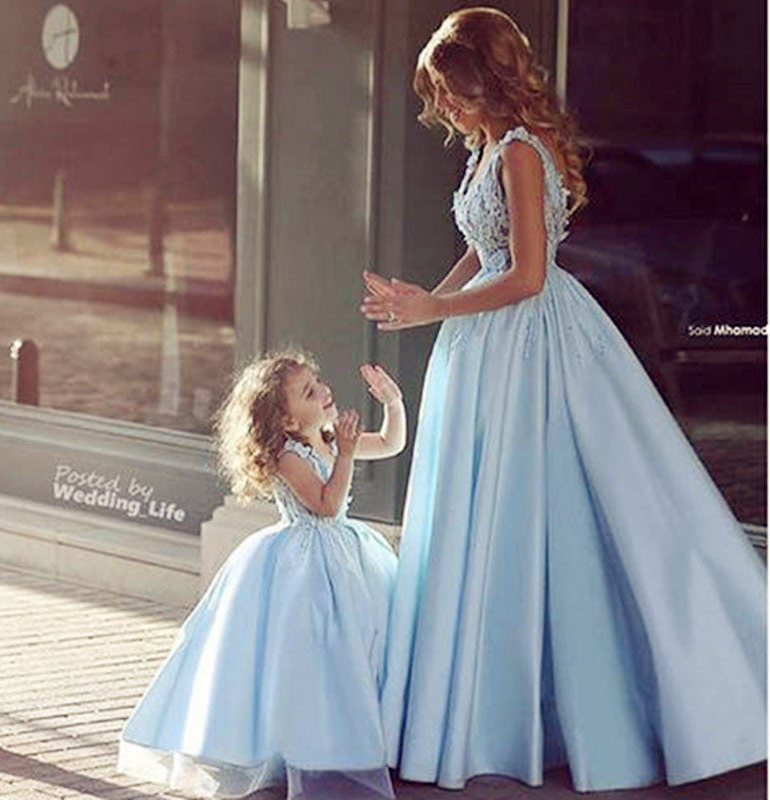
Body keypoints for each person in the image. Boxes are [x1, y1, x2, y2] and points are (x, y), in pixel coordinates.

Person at [361, 7, 766, 793]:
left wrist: (435, 310)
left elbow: (527, 277)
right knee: (483, 518)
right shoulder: (483, 150)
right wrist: (418, 301)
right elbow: (485, 255)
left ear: (486, 80)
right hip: (481, 352)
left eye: (450, 90)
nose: (442, 107)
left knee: (542, 517)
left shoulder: (519, 151)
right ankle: (483, 707)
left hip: (531, 349)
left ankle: (629, 705)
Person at [117, 350, 406, 800]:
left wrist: (392, 402)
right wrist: (345, 454)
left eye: (318, 381)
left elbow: (391, 444)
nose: (323, 390)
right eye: (309, 392)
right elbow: (326, 506)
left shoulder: (327, 438)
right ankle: (304, 749)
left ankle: (362, 737)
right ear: (288, 422)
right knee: (309, 659)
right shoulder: (288, 457)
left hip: (349, 557)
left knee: (359, 648)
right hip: (305, 564)